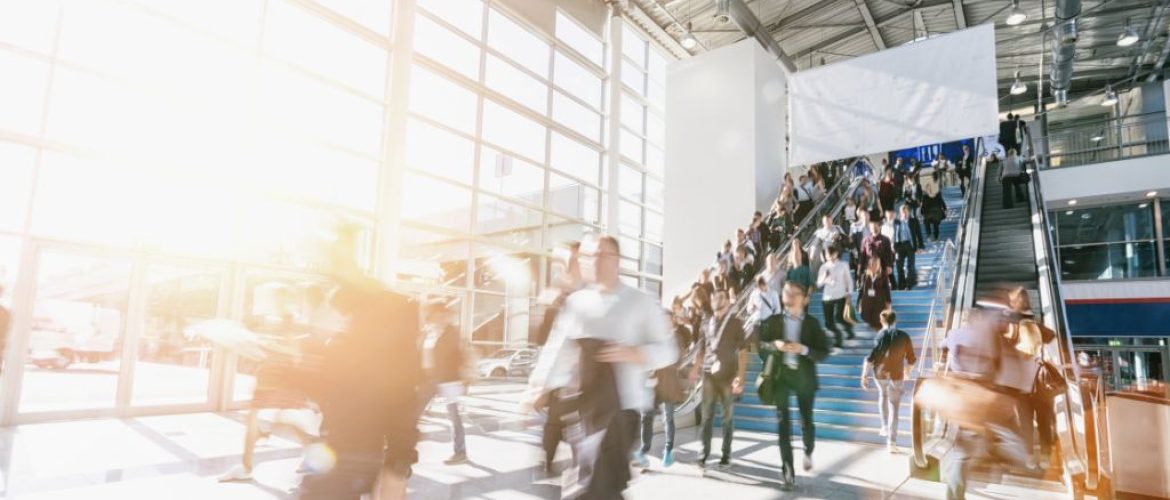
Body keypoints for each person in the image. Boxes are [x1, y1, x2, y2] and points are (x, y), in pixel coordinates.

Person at [527, 234, 677, 499]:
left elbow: (669, 350)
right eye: (587, 256)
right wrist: (540, 386)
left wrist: (634, 354)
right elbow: (558, 348)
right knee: (597, 486)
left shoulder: (641, 301)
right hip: (584, 410)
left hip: (623, 410)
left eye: (600, 255)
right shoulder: (577, 302)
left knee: (594, 485)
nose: (593, 262)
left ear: (616, 260)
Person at [296, 226, 424, 500]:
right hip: (340, 447)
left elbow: (404, 395)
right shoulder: (337, 319)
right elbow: (323, 387)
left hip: (358, 454)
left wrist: (398, 465)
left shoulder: (394, 314)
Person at [939, 304, 1029, 500]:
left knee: (962, 446)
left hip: (959, 393)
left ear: (965, 319)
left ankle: (954, 490)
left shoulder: (955, 333)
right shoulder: (986, 339)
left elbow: (942, 345)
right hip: (980, 394)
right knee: (965, 449)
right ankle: (956, 492)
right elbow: (996, 366)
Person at [756, 281, 830, 490]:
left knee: (806, 420)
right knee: (783, 425)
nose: (787, 294)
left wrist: (804, 349)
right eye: (785, 290)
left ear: (804, 299)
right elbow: (760, 346)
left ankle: (808, 448)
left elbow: (823, 351)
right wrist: (775, 345)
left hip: (804, 377)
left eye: (792, 292)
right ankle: (787, 471)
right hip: (781, 377)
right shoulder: (773, 320)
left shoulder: (813, 324)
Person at [534, 242, 583, 472]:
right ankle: (549, 460)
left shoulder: (599, 302)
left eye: (572, 263)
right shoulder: (563, 303)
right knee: (554, 427)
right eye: (565, 265)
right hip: (563, 388)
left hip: (589, 394)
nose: (566, 270)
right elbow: (548, 344)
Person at [690, 287, 749, 469]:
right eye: (714, 297)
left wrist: (740, 376)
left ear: (727, 301)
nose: (716, 299)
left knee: (727, 417)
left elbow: (743, 351)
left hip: (728, 375)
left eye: (720, 297)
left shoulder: (735, 323)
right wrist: (695, 368)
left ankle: (726, 454)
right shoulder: (706, 322)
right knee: (707, 416)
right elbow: (701, 348)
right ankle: (703, 453)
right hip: (708, 374)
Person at [635, 307, 692, 469]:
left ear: (672, 320)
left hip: (668, 384)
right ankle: (644, 449)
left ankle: (668, 449)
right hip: (652, 384)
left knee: (668, 418)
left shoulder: (676, 338)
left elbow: (678, 360)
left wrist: (661, 362)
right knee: (646, 416)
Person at [860, 309, 917, 453]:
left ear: (882, 321)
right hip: (896, 375)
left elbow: (871, 358)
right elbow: (911, 358)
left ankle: (884, 426)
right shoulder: (904, 336)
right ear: (895, 320)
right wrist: (908, 371)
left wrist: (864, 375)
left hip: (880, 374)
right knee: (895, 408)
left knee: (882, 396)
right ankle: (892, 443)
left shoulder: (880, 335)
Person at [421, 300, 468, 465]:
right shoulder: (429, 332)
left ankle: (460, 453)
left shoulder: (451, 332)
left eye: (443, 315)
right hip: (430, 379)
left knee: (454, 416)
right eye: (436, 315)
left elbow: (451, 355)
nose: (440, 318)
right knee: (414, 411)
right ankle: (400, 449)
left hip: (448, 380)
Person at [816, 246, 854, 349]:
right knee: (828, 323)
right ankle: (839, 334)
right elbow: (818, 284)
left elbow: (849, 280)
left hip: (840, 295)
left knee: (839, 318)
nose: (829, 257)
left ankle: (842, 336)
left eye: (831, 254)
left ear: (836, 254)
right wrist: (824, 277)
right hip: (827, 297)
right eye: (827, 255)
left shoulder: (843, 265)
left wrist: (849, 292)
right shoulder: (823, 267)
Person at [858, 256, 892, 331]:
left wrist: (888, 302)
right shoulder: (865, 276)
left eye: (876, 264)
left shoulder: (883, 275)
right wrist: (859, 302)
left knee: (878, 321)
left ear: (879, 265)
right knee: (867, 319)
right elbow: (861, 290)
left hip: (878, 302)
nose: (874, 266)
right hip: (867, 301)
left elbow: (887, 290)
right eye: (872, 264)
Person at [860, 219, 894, 286]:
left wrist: (889, 266)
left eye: (876, 226)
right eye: (872, 227)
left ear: (880, 227)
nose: (874, 229)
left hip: (882, 267)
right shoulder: (865, 240)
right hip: (869, 268)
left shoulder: (886, 239)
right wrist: (861, 268)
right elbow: (862, 255)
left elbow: (889, 254)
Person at [892, 205, 918, 291]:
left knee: (910, 266)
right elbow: (894, 234)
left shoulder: (913, 221)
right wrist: (893, 245)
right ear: (900, 213)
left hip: (909, 245)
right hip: (899, 245)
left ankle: (910, 284)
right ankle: (901, 284)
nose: (905, 214)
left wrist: (920, 246)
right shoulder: (896, 222)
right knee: (899, 265)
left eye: (906, 212)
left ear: (909, 213)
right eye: (903, 213)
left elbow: (918, 234)